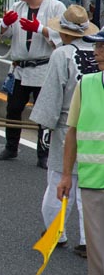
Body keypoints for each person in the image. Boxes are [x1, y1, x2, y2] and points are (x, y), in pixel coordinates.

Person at [30, 5, 96, 258]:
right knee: (89, 186)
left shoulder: (63, 55)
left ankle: (55, 232)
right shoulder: (97, 52)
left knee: (59, 180)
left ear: (65, 32)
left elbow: (52, 93)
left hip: (68, 125)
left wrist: (45, 122)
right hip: (96, 126)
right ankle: (87, 239)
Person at [0, 0, 65, 165]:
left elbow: (64, 37)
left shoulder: (56, 7)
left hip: (44, 68)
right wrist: (5, 25)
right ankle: (11, 147)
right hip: (19, 69)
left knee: (45, 113)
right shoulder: (17, 7)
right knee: (13, 108)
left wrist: (40, 29)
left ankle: (44, 154)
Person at [58, 31, 104, 274]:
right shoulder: (86, 84)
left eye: (102, 47)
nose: (97, 52)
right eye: (96, 46)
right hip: (93, 182)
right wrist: (66, 175)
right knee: (97, 256)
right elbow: (72, 133)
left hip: (94, 181)